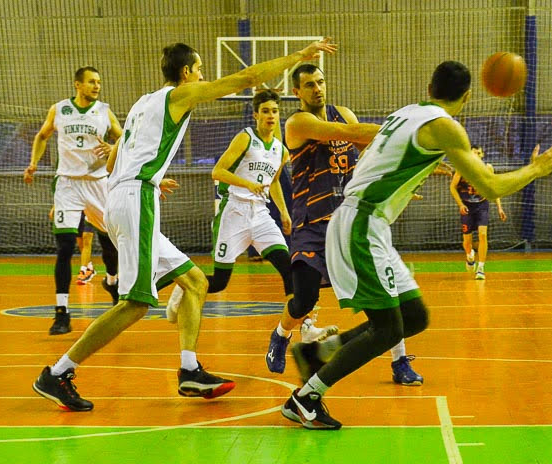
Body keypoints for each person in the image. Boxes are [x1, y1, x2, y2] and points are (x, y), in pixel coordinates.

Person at [32, 39, 337, 411]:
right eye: (199, 69)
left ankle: (190, 370)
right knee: (136, 305)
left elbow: (114, 161)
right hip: (134, 200)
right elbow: (248, 77)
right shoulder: (179, 95)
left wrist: (150, 178)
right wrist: (298, 57)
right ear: (186, 73)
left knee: (194, 282)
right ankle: (60, 372)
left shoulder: (144, 103)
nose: (203, 75)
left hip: (127, 194)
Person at [281, 60, 552, 429]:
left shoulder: (409, 113)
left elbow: (378, 155)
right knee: (385, 329)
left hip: (369, 222)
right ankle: (305, 397)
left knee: (414, 317)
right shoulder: (446, 128)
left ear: (430, 88)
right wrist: (536, 169)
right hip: (360, 223)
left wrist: (401, 180)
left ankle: (318, 352)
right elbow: (491, 187)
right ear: (467, 96)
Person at [265, 64, 424, 386]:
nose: (317, 89)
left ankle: (399, 361)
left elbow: (372, 154)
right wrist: (410, 135)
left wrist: (401, 179)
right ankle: (281, 335)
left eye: (321, 82)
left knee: (383, 297)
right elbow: (350, 135)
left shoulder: (345, 113)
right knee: (304, 299)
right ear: (296, 92)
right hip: (310, 223)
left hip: (349, 221)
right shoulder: (299, 122)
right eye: (309, 85)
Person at [165, 90, 296, 328]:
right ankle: (183, 285)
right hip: (234, 212)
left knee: (289, 269)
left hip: (261, 215)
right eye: (265, 111)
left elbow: (275, 181)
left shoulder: (281, 150)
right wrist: (248, 184)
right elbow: (218, 171)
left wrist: (284, 213)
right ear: (256, 114)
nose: (270, 116)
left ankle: (303, 328)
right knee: (219, 282)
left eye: (274, 111)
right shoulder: (245, 138)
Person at [24, 66, 123, 335]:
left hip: (97, 183)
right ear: (77, 84)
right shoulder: (59, 110)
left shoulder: (104, 110)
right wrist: (33, 163)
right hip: (67, 184)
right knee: (65, 246)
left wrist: (114, 147)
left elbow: (124, 137)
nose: (97, 86)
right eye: (92, 82)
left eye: (99, 82)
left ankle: (112, 282)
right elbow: (42, 136)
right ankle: (61, 313)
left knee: (110, 242)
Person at [450, 144, 507, 280]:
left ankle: (481, 268)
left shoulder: (488, 169)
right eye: (473, 153)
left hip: (482, 205)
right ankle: (470, 255)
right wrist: (460, 204)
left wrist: (499, 207)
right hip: (467, 207)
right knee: (467, 241)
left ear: (482, 155)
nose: (475, 155)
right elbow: (452, 187)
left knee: (482, 234)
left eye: (478, 153)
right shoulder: (462, 169)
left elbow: (494, 189)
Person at [48, 207, 97, 285]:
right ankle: (89, 267)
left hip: (90, 210)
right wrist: (54, 207)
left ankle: (83, 271)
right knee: (80, 243)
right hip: (76, 212)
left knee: (86, 239)